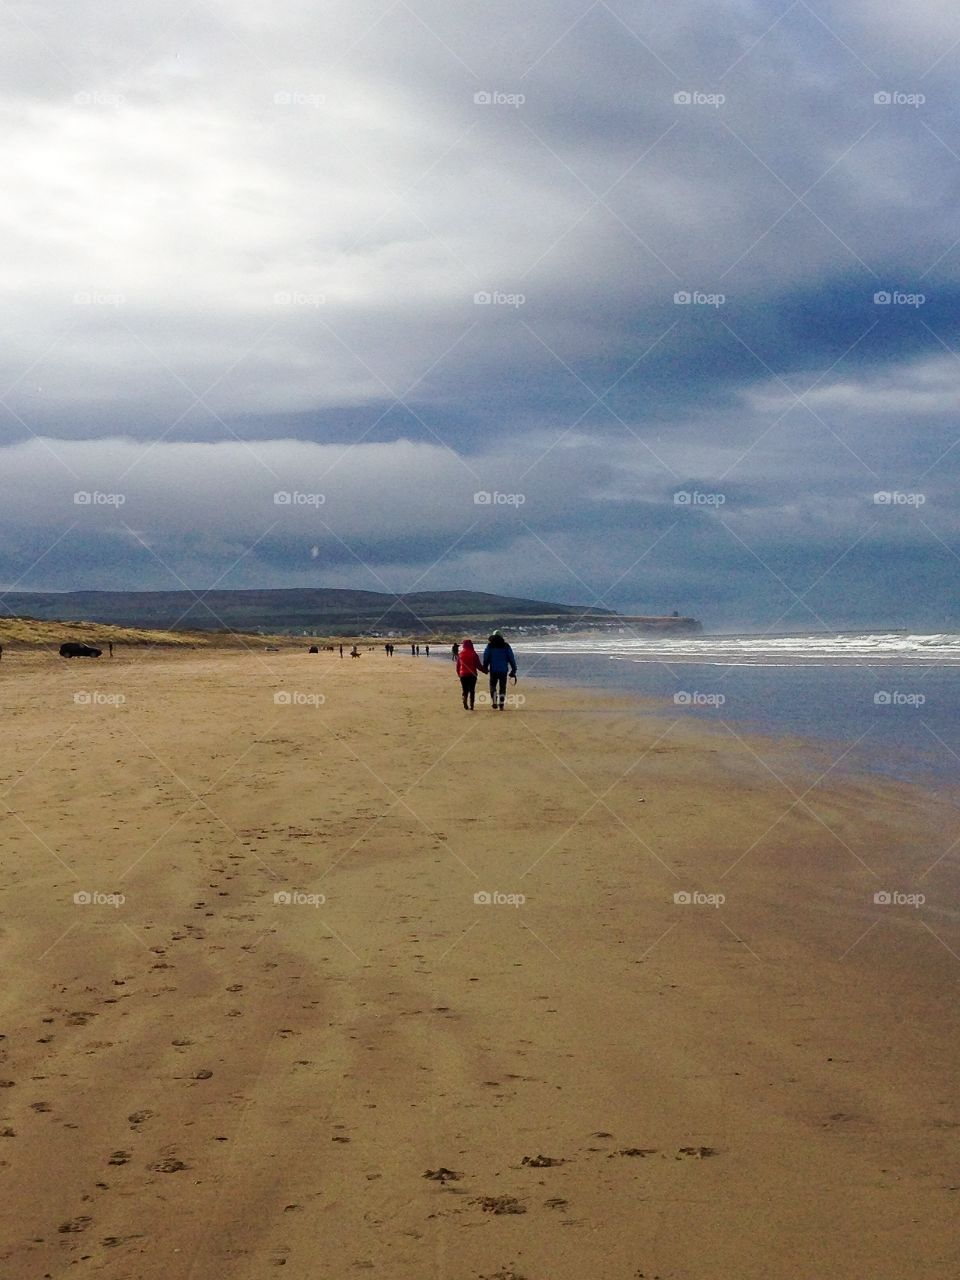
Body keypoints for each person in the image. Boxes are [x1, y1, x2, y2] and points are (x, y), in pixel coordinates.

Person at [481, 629, 517, 711]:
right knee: (502, 687)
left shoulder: (489, 646)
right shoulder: (506, 646)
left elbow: (486, 657)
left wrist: (485, 667)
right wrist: (514, 669)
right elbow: (511, 658)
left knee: (492, 686)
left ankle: (494, 701)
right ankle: (501, 704)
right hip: (503, 670)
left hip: (493, 670)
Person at [455, 638, 482, 710]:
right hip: (472, 675)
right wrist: (485, 671)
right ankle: (472, 705)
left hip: (463, 675)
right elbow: (478, 665)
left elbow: (458, 666)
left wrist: (459, 674)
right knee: (472, 690)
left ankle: (464, 698)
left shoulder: (460, 654)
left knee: (465, 689)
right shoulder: (474, 654)